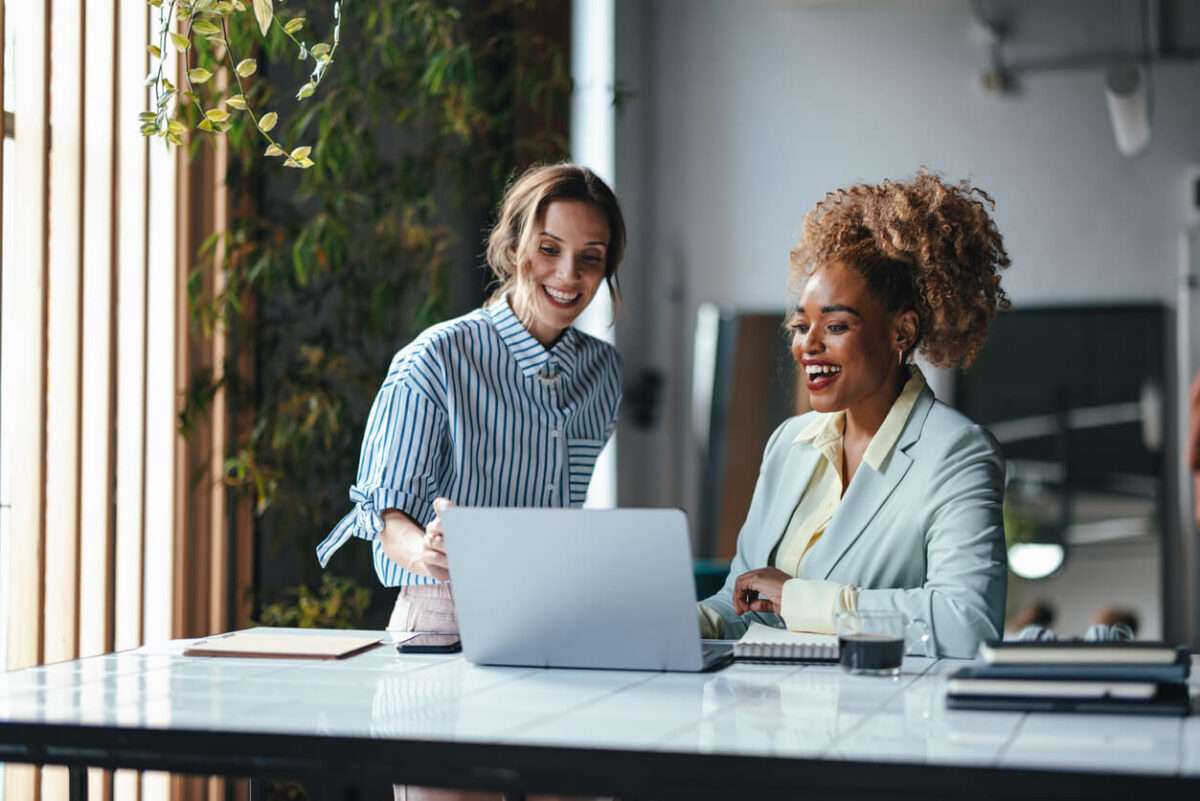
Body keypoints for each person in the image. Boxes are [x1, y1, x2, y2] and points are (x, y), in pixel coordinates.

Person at [317, 163, 624, 801]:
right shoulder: (437, 358)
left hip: (555, 624)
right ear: (512, 249)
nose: (568, 276)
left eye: (590, 259)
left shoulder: (603, 373)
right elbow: (381, 511)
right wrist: (422, 548)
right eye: (549, 250)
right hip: (443, 620)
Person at [698, 170, 1012, 659]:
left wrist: (800, 599)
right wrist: (678, 620)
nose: (808, 345)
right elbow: (743, 601)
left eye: (837, 324)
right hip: (772, 719)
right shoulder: (788, 443)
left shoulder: (956, 452)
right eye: (803, 325)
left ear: (901, 332)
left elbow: (966, 624)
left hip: (880, 721)